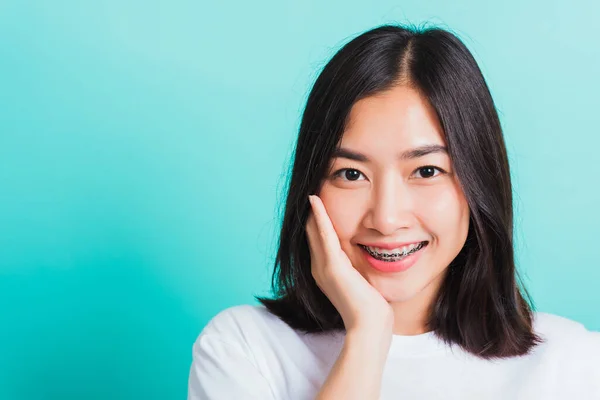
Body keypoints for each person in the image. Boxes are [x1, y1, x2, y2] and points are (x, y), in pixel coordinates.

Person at [187, 24, 600, 399]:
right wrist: (367, 336)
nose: (386, 219)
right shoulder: (243, 349)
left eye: (426, 170)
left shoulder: (574, 367)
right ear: (310, 187)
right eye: (350, 174)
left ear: (479, 183)